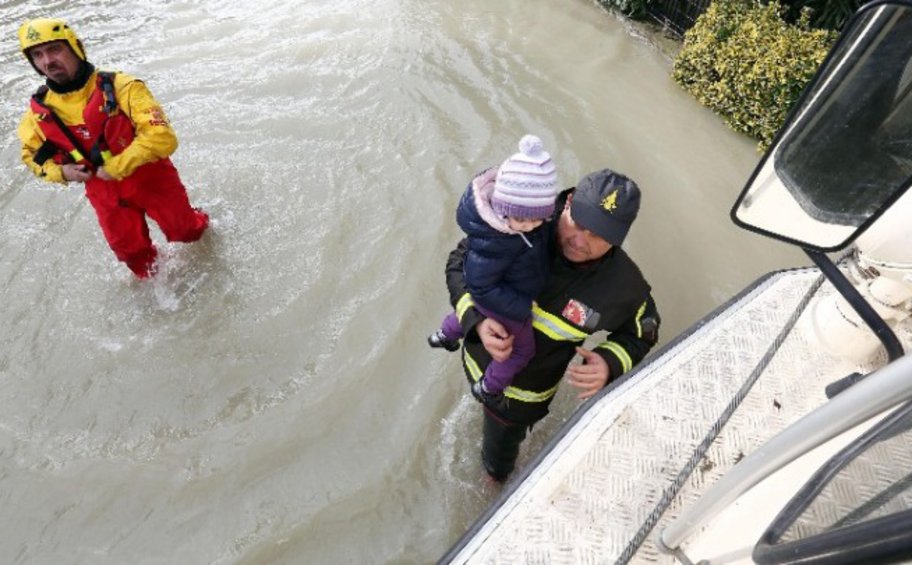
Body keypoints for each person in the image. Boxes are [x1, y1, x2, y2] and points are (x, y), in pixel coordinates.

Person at [444, 168, 661, 482]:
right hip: (474, 356)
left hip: (518, 401)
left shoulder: (623, 286)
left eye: (599, 236)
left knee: (497, 464)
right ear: (568, 201)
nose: (580, 241)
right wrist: (474, 320)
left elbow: (643, 330)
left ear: (619, 238)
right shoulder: (520, 225)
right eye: (579, 224)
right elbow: (459, 260)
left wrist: (610, 362)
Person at [16, 18, 209, 279]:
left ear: (75, 47)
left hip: (151, 178)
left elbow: (163, 137)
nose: (47, 61)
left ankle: (204, 225)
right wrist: (61, 173)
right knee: (133, 256)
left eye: (55, 50)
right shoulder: (37, 115)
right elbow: (32, 158)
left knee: (188, 233)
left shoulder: (123, 87)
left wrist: (118, 166)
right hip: (104, 193)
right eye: (37, 55)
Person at [428, 134, 558, 406]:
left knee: (466, 312)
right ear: (501, 209)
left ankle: (444, 334)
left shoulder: (512, 229)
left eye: (538, 219)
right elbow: (479, 286)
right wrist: (521, 307)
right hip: (505, 300)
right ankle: (488, 387)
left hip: (494, 294)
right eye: (522, 219)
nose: (531, 226)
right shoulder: (496, 242)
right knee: (522, 350)